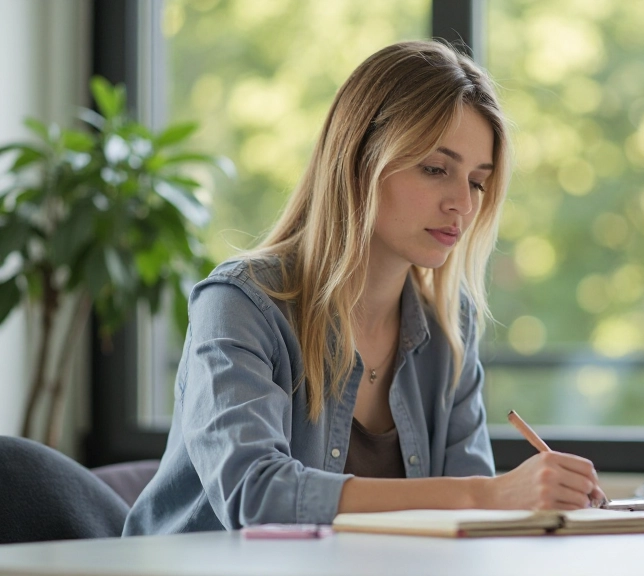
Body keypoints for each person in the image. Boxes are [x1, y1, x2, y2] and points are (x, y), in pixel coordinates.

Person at [123, 40, 606, 535]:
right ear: (359, 161)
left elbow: (475, 524)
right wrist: (488, 495)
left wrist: (540, 507)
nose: (462, 203)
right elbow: (257, 495)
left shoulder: (448, 325)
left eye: (478, 182)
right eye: (436, 169)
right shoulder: (240, 304)